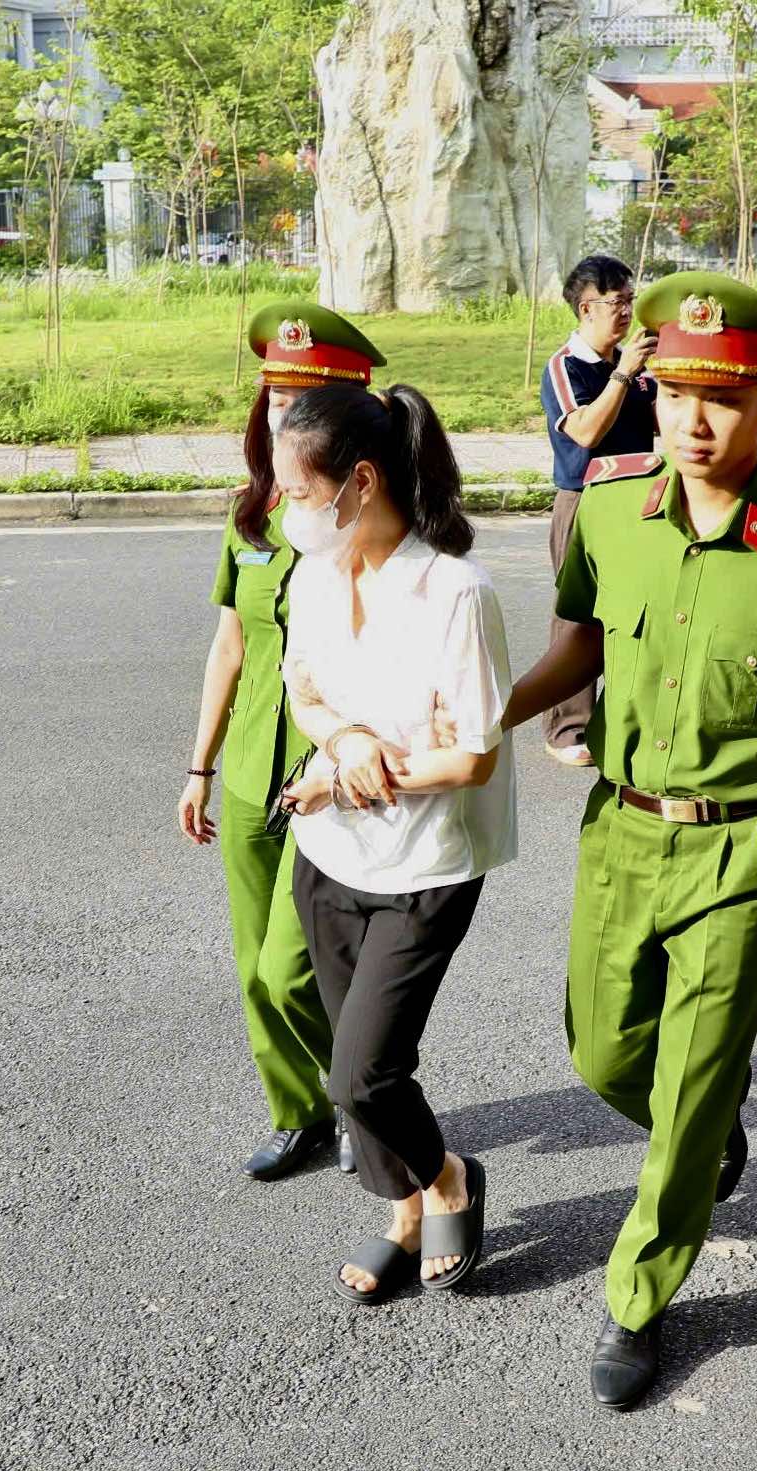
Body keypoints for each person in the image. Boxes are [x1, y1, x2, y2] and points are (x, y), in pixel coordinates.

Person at [502, 272, 757, 1410]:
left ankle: (639, 1290)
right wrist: (498, 710)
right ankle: (703, 1132)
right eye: (675, 391)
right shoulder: (614, 502)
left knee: (689, 1082)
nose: (690, 419)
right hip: (621, 829)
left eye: (721, 397)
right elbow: (575, 645)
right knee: (599, 1051)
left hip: (742, 852)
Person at [274, 382, 516, 1301]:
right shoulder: (315, 576)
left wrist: (342, 775)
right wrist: (344, 740)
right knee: (360, 1062)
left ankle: (449, 1175)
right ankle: (404, 1213)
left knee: (361, 1073)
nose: (287, 512)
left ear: (359, 481)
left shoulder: (454, 592)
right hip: (331, 856)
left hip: (425, 866)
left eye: (300, 493)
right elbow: (303, 690)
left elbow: (472, 760)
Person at [178, 301, 386, 1182]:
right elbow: (231, 643)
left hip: (324, 777)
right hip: (250, 770)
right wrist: (199, 764)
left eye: (302, 400)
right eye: (272, 397)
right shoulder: (253, 514)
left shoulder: (365, 520)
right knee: (253, 973)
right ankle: (295, 1110)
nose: (280, 416)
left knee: (293, 967)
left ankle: (362, 1101)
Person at [539, 255, 661, 769]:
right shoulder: (567, 366)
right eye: (618, 303)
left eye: (631, 301)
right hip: (585, 503)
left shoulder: (631, 364)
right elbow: (585, 431)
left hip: (640, 498)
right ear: (586, 308)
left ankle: (631, 715)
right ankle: (567, 728)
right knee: (578, 616)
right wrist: (623, 375)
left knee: (638, 610)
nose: (627, 312)